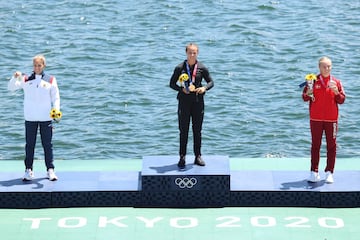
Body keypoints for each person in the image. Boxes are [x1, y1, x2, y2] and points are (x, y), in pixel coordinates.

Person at [8, 54, 61, 181]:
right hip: (30, 118)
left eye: (39, 65)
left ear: (44, 66)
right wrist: (14, 78)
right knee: (30, 145)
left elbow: (56, 97)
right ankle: (28, 170)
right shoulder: (26, 79)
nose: (37, 67)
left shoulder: (51, 80)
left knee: (47, 145)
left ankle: (50, 170)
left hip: (46, 118)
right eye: (35, 65)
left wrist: (56, 110)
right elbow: (11, 88)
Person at [170, 43, 214, 168]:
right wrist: (181, 89)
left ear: (197, 53)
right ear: (186, 53)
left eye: (194, 52)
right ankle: (182, 157)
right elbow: (171, 84)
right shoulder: (180, 68)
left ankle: (197, 156)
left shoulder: (201, 68)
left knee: (197, 130)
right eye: (190, 52)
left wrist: (204, 88)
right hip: (184, 102)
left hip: (198, 102)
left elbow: (211, 82)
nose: (192, 55)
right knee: (183, 130)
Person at [302, 56, 345, 183]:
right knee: (315, 145)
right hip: (315, 119)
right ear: (319, 67)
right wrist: (309, 92)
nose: (327, 69)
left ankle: (329, 172)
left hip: (331, 120)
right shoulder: (312, 81)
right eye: (324, 66)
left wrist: (336, 92)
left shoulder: (336, 82)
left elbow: (342, 100)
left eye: (329, 66)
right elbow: (304, 97)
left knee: (332, 146)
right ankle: (314, 172)